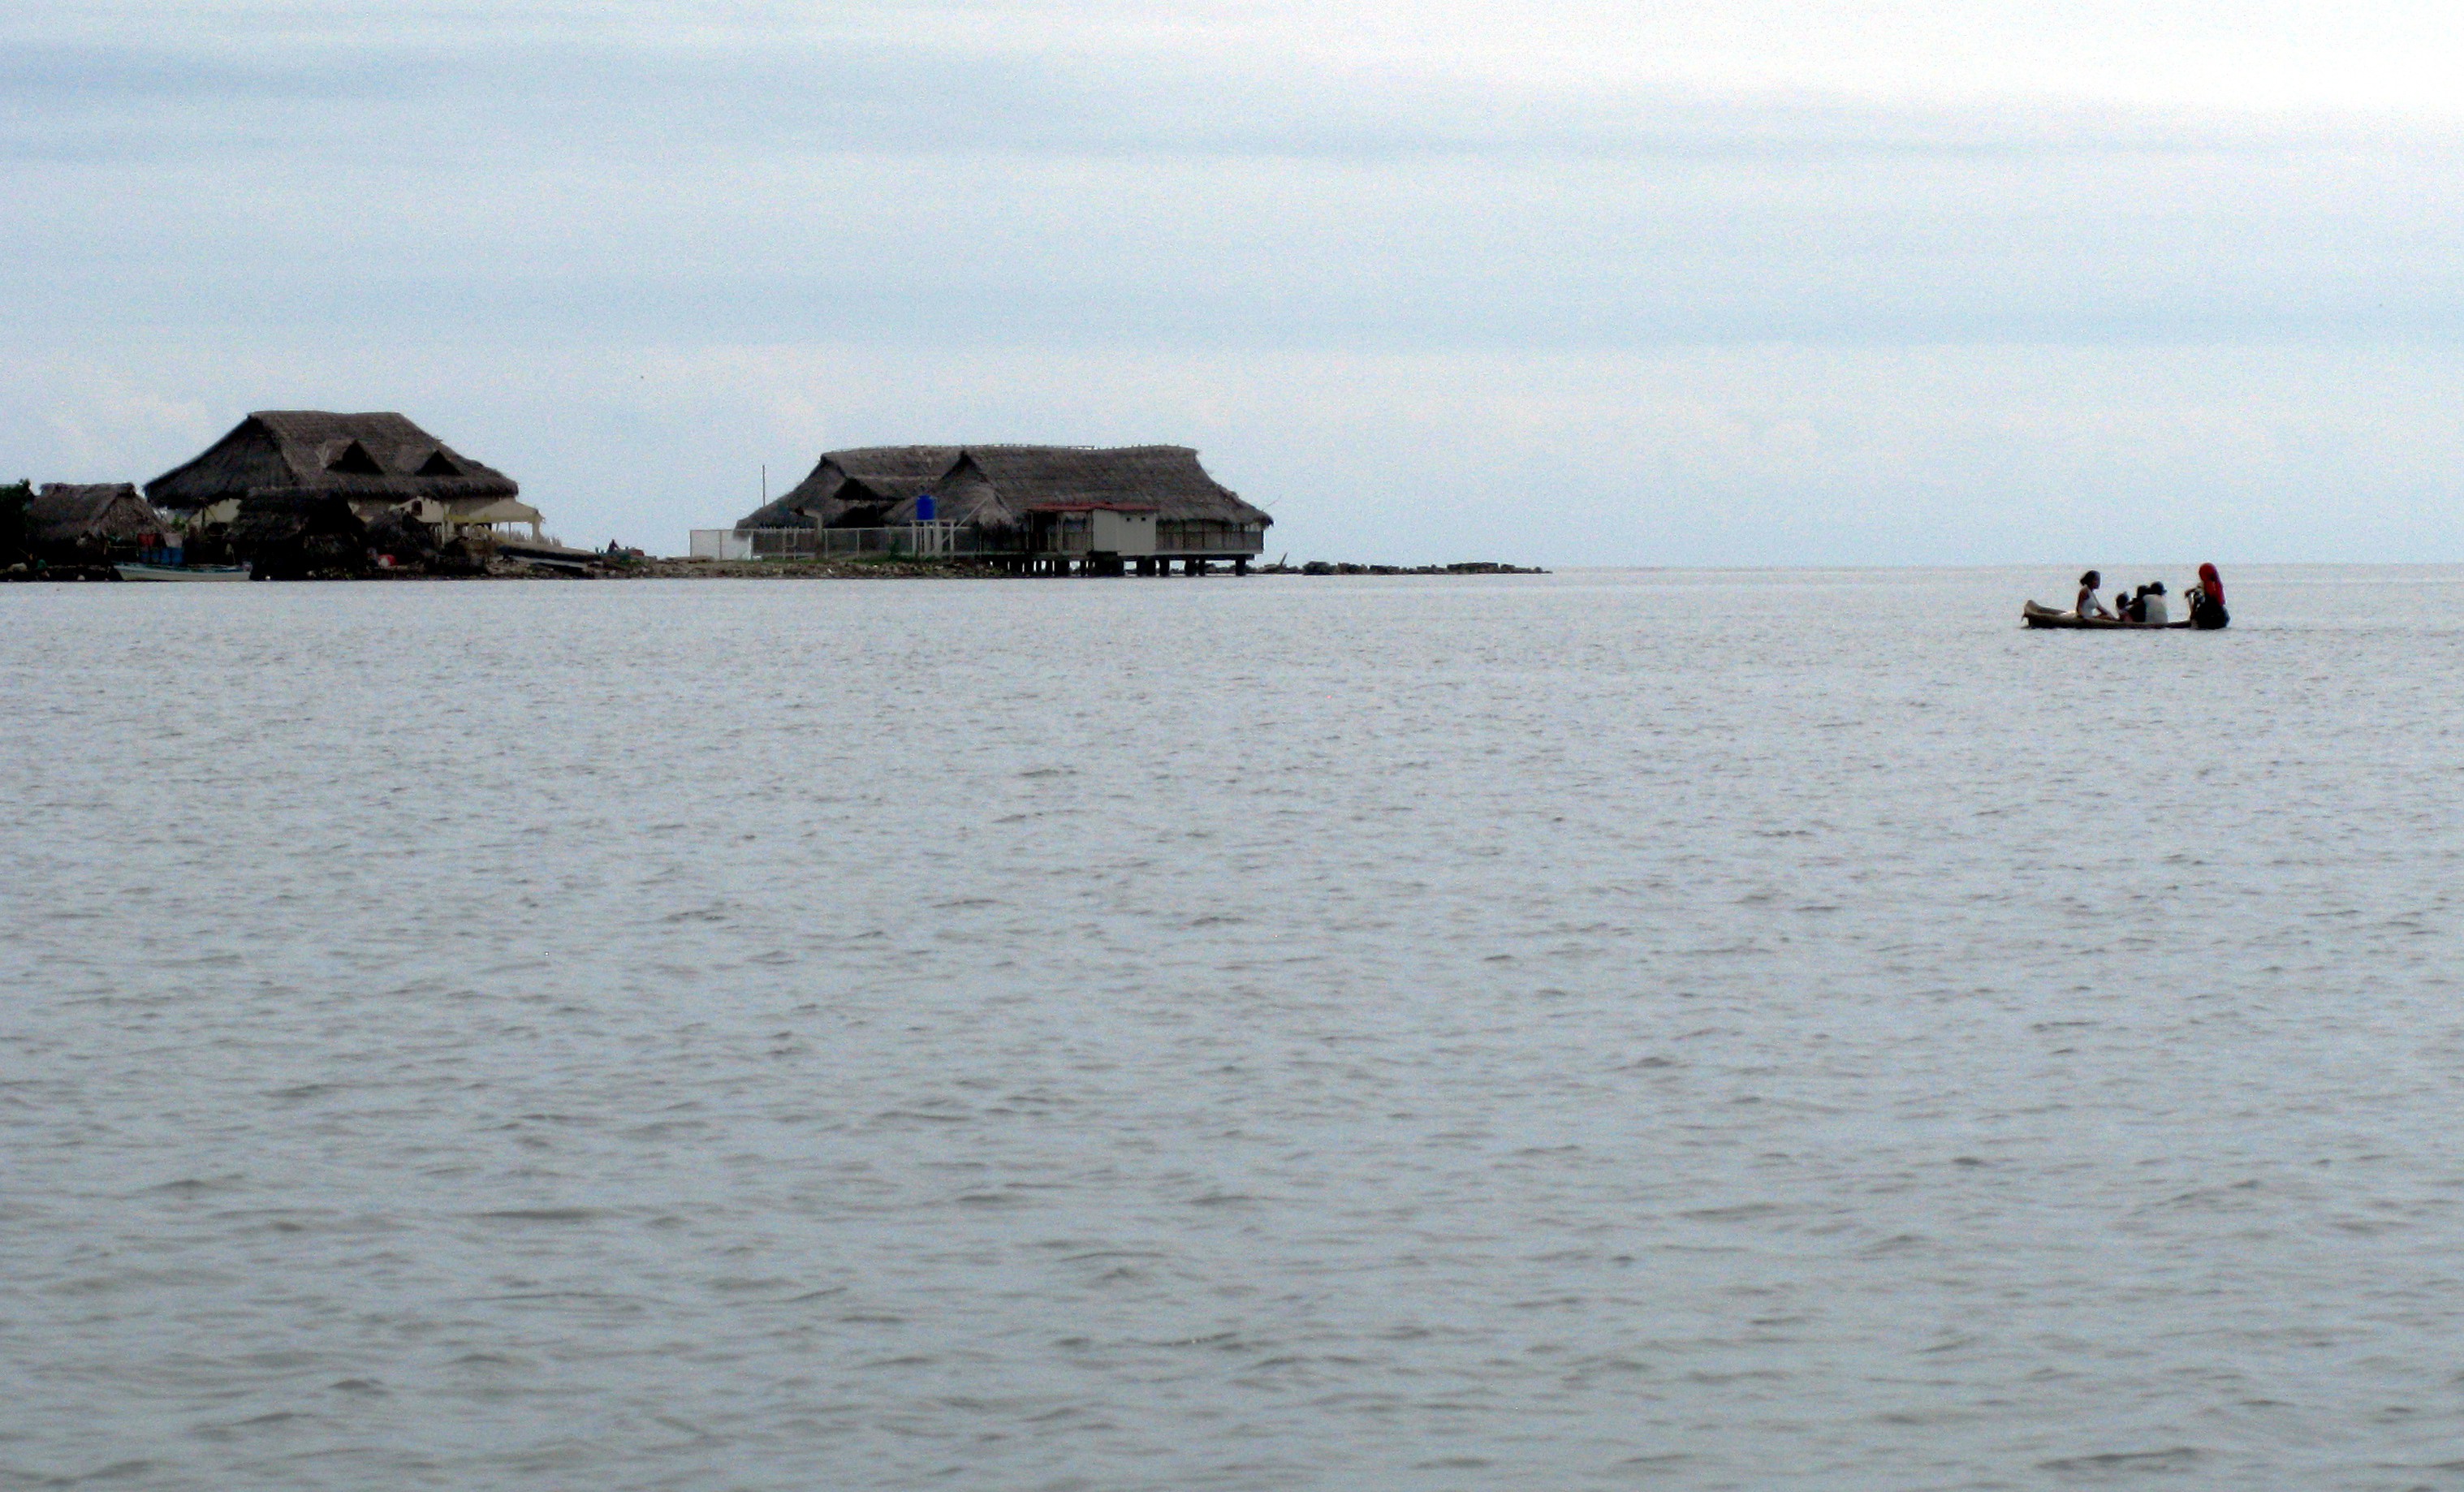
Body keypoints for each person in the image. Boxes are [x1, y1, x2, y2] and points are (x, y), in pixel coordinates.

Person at [2187, 563, 2229, 629]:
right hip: (2221, 616)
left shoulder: (2204, 587)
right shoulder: (2217, 585)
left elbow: (2197, 599)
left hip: (2207, 616)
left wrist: (2192, 616)